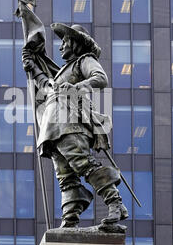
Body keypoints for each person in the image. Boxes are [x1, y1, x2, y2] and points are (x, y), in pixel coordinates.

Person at [22, 23, 128, 228]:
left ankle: (115, 203)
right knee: (65, 175)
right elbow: (48, 87)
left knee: (82, 163)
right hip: (53, 127)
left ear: (75, 43)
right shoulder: (63, 71)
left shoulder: (84, 61)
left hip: (70, 122)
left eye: (64, 41)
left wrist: (76, 87)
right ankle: (70, 219)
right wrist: (32, 67)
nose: (61, 46)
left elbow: (100, 78)